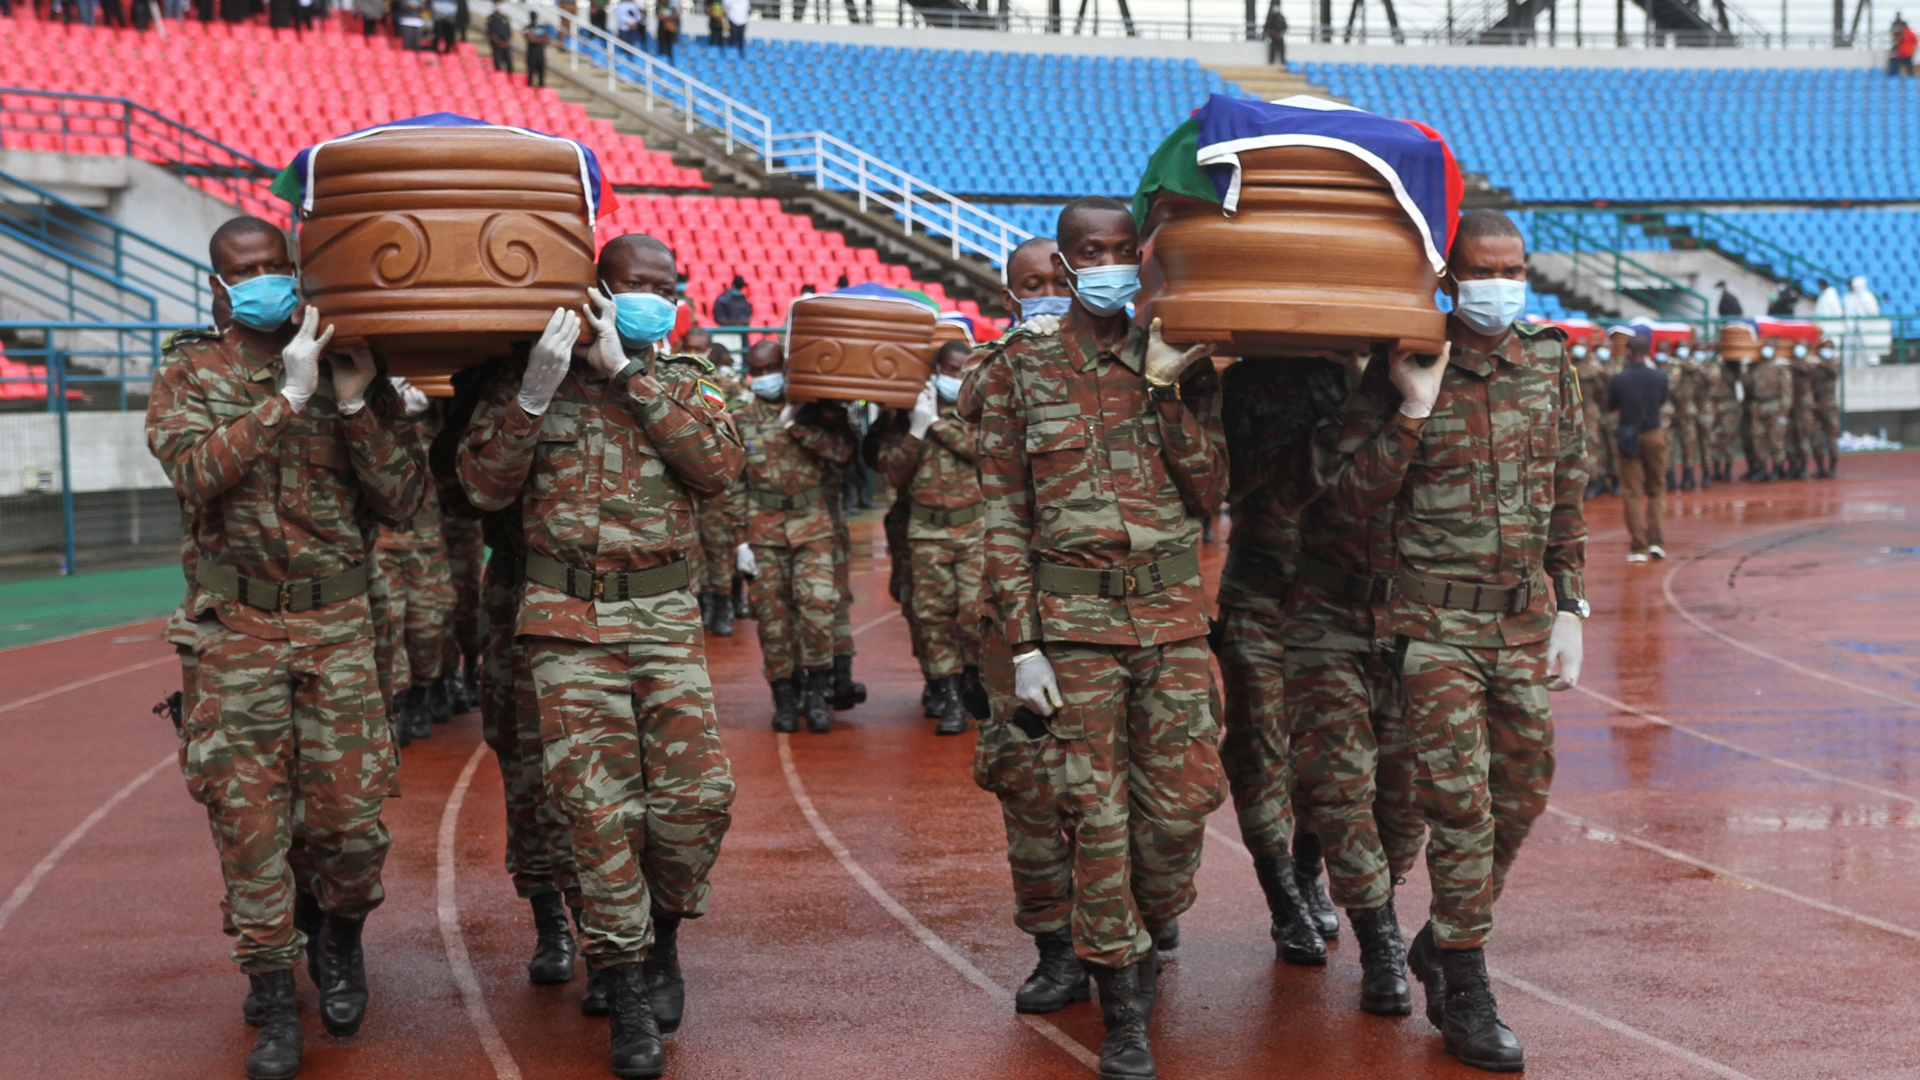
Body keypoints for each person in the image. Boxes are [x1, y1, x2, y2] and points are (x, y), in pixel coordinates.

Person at [148, 216, 427, 1080]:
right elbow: (195, 472)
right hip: (235, 632)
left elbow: (404, 501)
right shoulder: (190, 374)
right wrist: (286, 400)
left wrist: (351, 401)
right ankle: (272, 991)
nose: (267, 278)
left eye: (278, 265)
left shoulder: (353, 364)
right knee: (250, 823)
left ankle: (337, 937)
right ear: (218, 290)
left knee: (348, 824)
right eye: (247, 270)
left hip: (339, 629)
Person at [458, 235, 742, 1079]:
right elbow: (480, 490)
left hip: (661, 615)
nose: (652, 299)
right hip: (563, 618)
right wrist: (536, 395)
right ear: (595, 292)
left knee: (699, 798)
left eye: (666, 287)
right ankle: (623, 985)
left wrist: (629, 373)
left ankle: (663, 938)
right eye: (632, 286)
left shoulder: (686, 381)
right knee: (596, 809)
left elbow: (719, 467)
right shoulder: (526, 382)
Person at [975, 197, 1226, 1079]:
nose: (1111, 261)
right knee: (1095, 814)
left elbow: (1207, 489)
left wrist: (1162, 389)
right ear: (1068, 259)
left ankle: (1145, 938)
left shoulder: (1182, 357)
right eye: (1093, 250)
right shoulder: (1021, 368)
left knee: (1179, 812)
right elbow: (1002, 515)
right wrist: (1024, 644)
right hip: (1073, 628)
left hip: (1170, 622)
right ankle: (1124, 1006)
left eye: (1125, 248)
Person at [1375, 209, 1586, 1074]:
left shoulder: (1547, 359)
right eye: (1484, 270)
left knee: (1525, 786)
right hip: (1432, 626)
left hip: (1520, 617)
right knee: (1460, 805)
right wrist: (1412, 410)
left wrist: (1572, 607)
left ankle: (1441, 937)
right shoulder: (1405, 359)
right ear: (1449, 277)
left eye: (1516, 268)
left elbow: (1567, 488)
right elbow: (1350, 493)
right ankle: (1465, 981)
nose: (1503, 284)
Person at [1274, 344, 1444, 1017]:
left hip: (1412, 619)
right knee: (1341, 784)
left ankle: (1345, 877)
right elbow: (1344, 499)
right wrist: (1408, 410)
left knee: (1404, 804)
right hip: (1326, 617)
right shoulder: (1308, 398)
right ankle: (1379, 941)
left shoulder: (1448, 388)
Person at [1211, 353, 1338, 976]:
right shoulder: (1245, 380)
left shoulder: (1369, 377)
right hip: (1259, 589)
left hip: (1339, 598)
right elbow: (1221, 484)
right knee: (1259, 747)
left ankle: (1310, 871)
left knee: (1327, 751)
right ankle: (1284, 899)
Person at [733, 340, 856, 733]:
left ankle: (818, 692)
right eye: (758, 370)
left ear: (785, 367)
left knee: (818, 605)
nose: (766, 377)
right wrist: (738, 541)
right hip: (762, 527)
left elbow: (843, 454)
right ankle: (785, 695)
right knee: (772, 618)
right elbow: (730, 481)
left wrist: (795, 425)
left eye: (772, 368)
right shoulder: (738, 418)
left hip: (812, 524)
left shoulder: (817, 412)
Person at [873, 340, 986, 736]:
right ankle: (951, 699)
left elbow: (983, 451)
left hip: (974, 529)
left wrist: (935, 424)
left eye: (962, 371)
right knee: (933, 617)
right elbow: (892, 473)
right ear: (935, 371)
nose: (955, 378)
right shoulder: (909, 418)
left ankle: (975, 685)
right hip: (925, 532)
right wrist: (916, 430)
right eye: (949, 370)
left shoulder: (979, 410)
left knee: (975, 616)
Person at [373, 382, 455, 742]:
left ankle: (424, 688)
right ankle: (403, 703)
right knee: (390, 627)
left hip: (426, 543)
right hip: (382, 542)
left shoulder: (438, 414)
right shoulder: (369, 408)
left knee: (427, 628)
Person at [1608, 329, 1670, 561]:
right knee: (1657, 489)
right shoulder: (1661, 376)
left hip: (1628, 436)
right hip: (1654, 434)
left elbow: (1611, 405)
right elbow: (1663, 400)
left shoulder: (1618, 379)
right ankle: (1657, 542)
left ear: (1629, 352)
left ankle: (1639, 547)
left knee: (1633, 492)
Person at [1747, 340, 1791, 481]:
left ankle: (1778, 468)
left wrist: (1783, 412)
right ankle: (1763, 469)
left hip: (1775, 406)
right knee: (1758, 439)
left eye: (1770, 347)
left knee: (1776, 440)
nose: (1766, 350)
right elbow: (1748, 387)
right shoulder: (1756, 367)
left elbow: (1787, 391)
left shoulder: (1780, 368)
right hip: (1759, 407)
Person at [526, 14, 553, 88]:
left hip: (540, 55)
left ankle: (541, 96)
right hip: (531, 55)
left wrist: (535, 39)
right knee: (531, 77)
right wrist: (540, 40)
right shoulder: (528, 27)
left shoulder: (540, 28)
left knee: (541, 77)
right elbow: (530, 39)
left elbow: (547, 39)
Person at [487, 3, 514, 72]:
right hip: (496, 44)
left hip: (506, 44)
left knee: (509, 64)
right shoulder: (491, 18)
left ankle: (510, 78)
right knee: (498, 63)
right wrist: (499, 43)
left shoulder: (505, 18)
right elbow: (491, 33)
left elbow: (509, 32)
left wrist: (506, 42)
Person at [1263, 0, 1287, 66]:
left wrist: (1281, 34)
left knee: (1282, 50)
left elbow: (1285, 27)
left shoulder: (1282, 18)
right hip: (1273, 38)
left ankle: (1283, 62)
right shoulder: (1271, 18)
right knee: (1272, 51)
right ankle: (1271, 63)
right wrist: (1275, 34)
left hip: (1280, 37)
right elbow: (1268, 28)